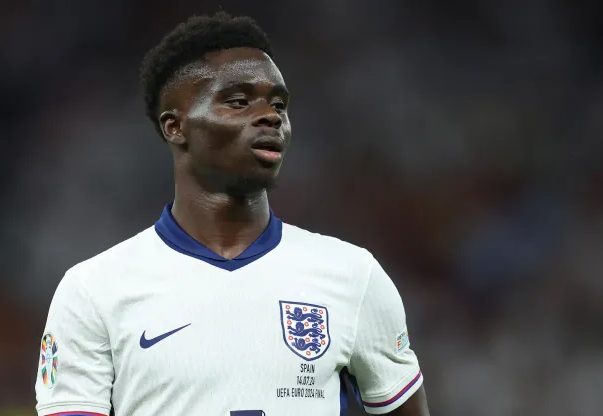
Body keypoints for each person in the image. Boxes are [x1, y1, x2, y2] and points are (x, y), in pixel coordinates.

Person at [35, 12, 430, 416]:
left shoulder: (353, 276)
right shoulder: (93, 290)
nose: (271, 116)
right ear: (175, 126)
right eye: (239, 101)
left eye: (279, 104)